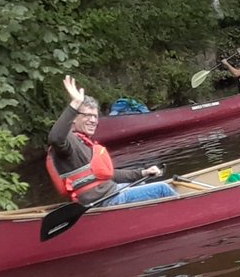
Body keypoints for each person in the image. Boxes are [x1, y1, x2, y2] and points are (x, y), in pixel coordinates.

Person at [45, 75, 176, 207]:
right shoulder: (68, 143)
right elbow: (55, 138)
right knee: (162, 189)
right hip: (102, 201)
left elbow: (110, 174)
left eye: (95, 116)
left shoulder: (84, 142)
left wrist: (142, 172)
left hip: (109, 193)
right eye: (87, 116)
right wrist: (75, 104)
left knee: (142, 182)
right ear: (74, 118)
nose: (93, 120)